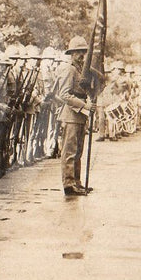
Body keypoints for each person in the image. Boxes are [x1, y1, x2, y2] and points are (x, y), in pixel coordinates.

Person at [56, 35, 93, 196]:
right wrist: (84, 105)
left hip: (80, 116)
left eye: (83, 51)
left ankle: (76, 182)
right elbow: (64, 94)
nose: (81, 55)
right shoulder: (69, 69)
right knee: (69, 151)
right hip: (71, 115)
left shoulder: (80, 70)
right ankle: (69, 183)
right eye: (77, 52)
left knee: (78, 151)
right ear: (71, 53)